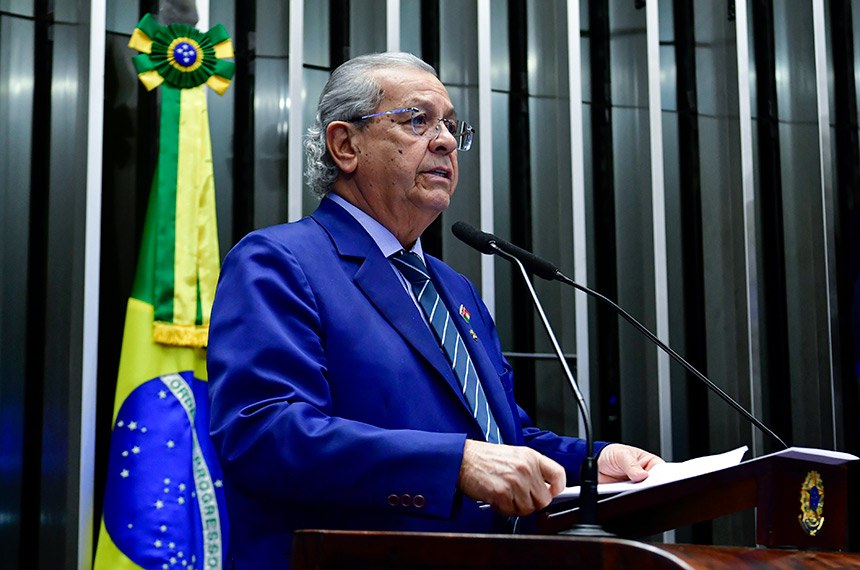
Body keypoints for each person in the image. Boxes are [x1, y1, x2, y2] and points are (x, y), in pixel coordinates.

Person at [207, 52, 663, 569]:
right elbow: (262, 434)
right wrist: (455, 464)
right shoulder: (280, 261)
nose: (445, 140)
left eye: (450, 125)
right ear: (345, 145)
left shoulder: (454, 289)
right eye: (417, 120)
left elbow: (503, 438)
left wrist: (594, 463)